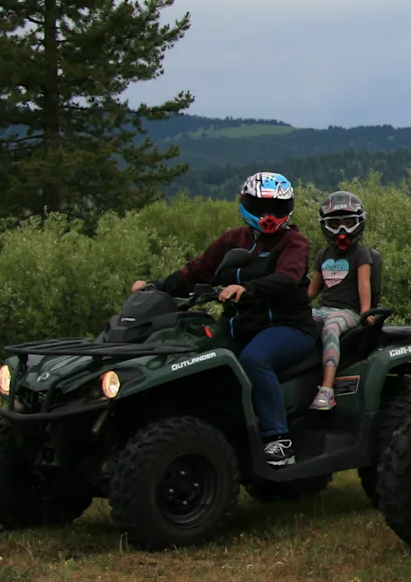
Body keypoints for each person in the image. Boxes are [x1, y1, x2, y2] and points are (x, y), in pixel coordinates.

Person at [134, 172, 315, 466]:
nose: (269, 216)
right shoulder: (232, 240)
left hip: (288, 327)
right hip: (239, 328)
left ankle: (278, 441)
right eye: (261, 207)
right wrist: (155, 288)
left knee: (256, 358)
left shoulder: (294, 242)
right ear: (246, 204)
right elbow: (195, 272)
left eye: (277, 208)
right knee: (194, 356)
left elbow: (288, 277)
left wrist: (248, 288)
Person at [305, 190, 382, 410]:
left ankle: (327, 390)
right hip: (323, 308)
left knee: (331, 328)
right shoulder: (323, 255)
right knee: (295, 322)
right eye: (335, 223)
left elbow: (364, 285)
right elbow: (312, 291)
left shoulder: (361, 254)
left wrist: (366, 312)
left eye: (348, 223)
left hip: (348, 311)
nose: (342, 230)